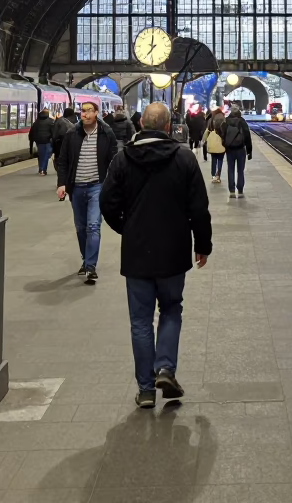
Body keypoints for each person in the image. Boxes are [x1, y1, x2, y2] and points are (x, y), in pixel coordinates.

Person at [100, 102, 212, 409]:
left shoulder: (123, 159)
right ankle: (166, 368)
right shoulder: (184, 158)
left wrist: (127, 228)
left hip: (136, 252)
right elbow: (199, 208)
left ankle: (146, 389)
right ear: (167, 127)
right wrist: (203, 244)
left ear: (140, 126)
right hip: (174, 249)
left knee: (140, 320)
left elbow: (107, 202)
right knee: (171, 308)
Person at [55, 101, 118, 284]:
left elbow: (114, 161)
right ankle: (86, 259)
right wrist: (62, 184)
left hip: (97, 186)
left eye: (89, 111)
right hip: (77, 187)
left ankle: (90, 266)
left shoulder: (106, 134)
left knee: (93, 226)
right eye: (82, 111)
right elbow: (63, 160)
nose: (85, 114)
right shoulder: (71, 134)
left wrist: (113, 185)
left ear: (96, 113)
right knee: (81, 227)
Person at [221, 105, 253, 198]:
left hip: (230, 149)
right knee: (240, 170)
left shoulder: (226, 121)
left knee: (230, 169)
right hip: (240, 149)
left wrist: (225, 144)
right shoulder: (242, 121)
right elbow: (247, 136)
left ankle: (231, 191)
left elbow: (222, 134)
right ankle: (240, 190)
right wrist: (249, 150)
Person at [29, 108, 55, 176]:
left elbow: (32, 132)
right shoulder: (51, 121)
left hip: (39, 141)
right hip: (47, 141)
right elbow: (54, 132)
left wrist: (32, 140)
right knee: (46, 155)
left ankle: (41, 169)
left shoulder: (36, 122)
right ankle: (43, 170)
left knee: (41, 155)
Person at [204, 108, 226, 184]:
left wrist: (204, 140)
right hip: (221, 142)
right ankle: (218, 175)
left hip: (212, 142)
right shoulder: (223, 119)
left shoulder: (211, 120)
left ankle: (213, 175)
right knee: (220, 159)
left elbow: (207, 130)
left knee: (213, 160)